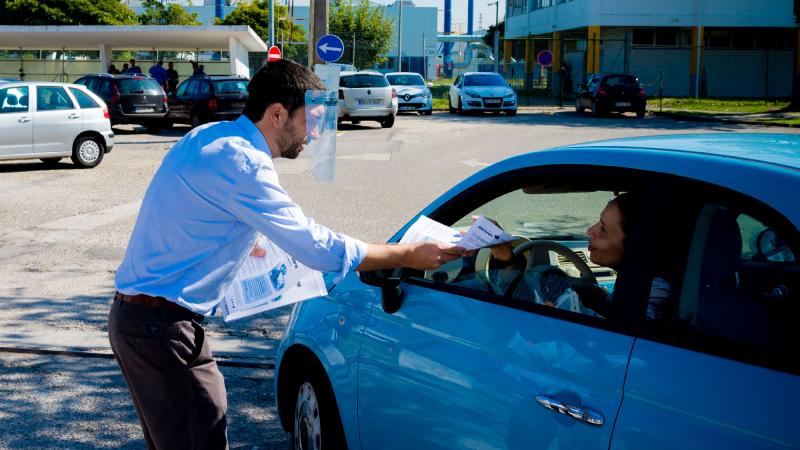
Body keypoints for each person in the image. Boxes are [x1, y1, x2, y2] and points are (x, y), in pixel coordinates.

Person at [107, 59, 463, 449]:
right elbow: (315, 246)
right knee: (201, 434)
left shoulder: (211, 136)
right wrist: (407, 254)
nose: (315, 134)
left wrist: (245, 240)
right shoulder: (245, 163)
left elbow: (196, 214)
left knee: (197, 426)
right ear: (277, 114)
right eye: (311, 121)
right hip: (161, 326)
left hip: (146, 320)